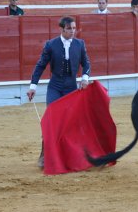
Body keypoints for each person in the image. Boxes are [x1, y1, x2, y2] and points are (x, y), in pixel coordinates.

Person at [26, 16, 91, 168]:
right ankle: (44, 154)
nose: (73, 31)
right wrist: (33, 86)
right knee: (51, 120)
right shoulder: (51, 45)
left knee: (70, 122)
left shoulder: (79, 44)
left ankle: (71, 155)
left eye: (74, 28)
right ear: (61, 29)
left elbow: (86, 63)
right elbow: (40, 65)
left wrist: (85, 78)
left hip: (71, 87)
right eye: (69, 29)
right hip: (55, 87)